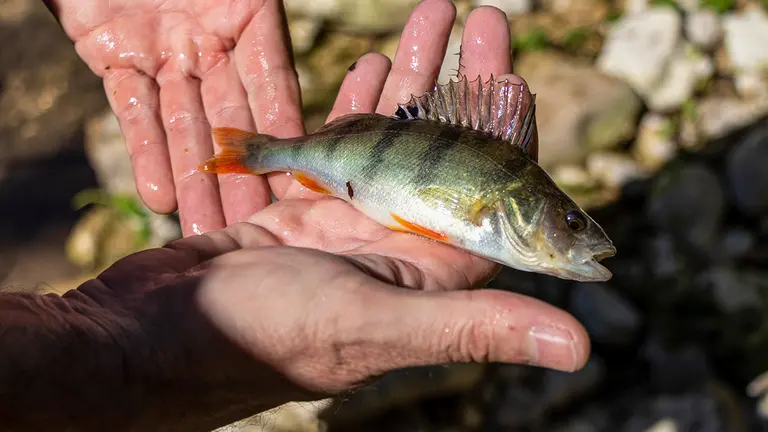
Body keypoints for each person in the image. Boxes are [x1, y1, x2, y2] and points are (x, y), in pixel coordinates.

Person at [2, 0, 591, 430]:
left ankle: (258, 153)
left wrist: (109, 346)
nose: (579, 233)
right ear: (530, 205)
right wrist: (121, 352)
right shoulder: (497, 201)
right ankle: (259, 153)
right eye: (570, 221)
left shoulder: (503, 201)